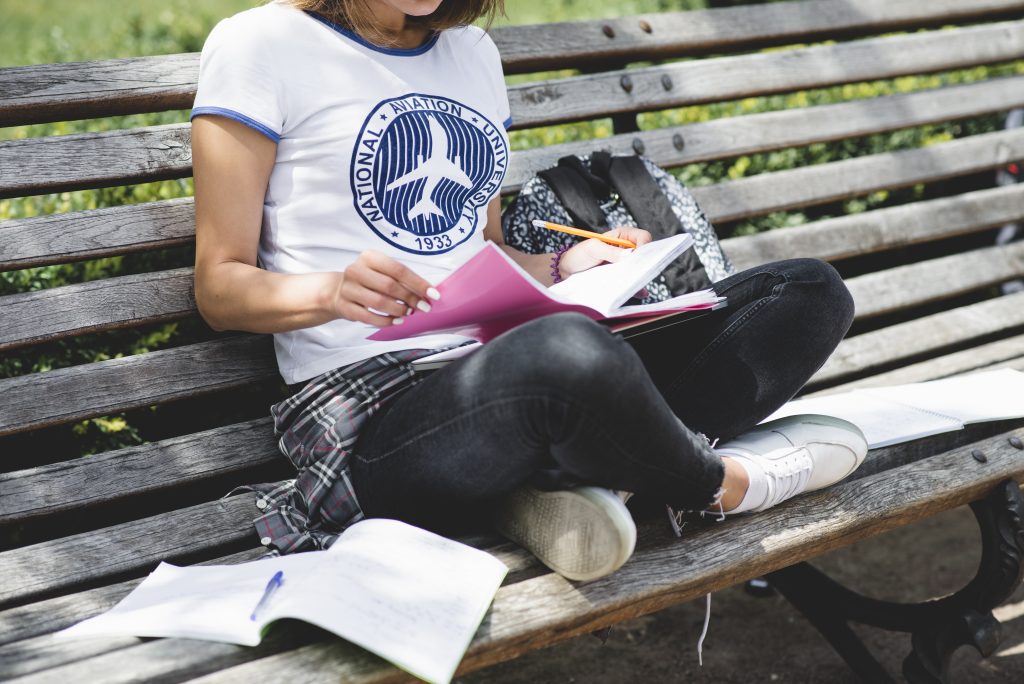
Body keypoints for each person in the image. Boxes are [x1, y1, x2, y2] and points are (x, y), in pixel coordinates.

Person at [191, 0, 868, 582]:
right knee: (565, 355)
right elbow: (219, 287)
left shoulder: (471, 53)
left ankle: (552, 482)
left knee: (804, 292)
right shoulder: (261, 45)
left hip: (505, 359)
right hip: (377, 412)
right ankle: (718, 485)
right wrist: (328, 290)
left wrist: (572, 265)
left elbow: (481, 250)